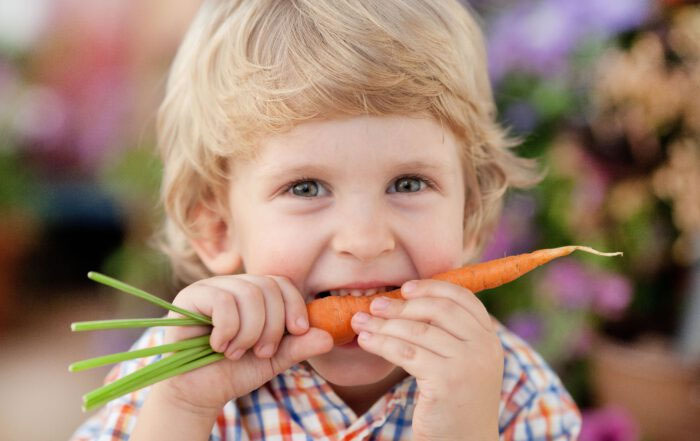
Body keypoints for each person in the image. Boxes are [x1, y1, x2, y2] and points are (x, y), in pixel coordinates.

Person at [70, 0, 581, 439]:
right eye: (306, 188)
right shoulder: (177, 372)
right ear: (218, 227)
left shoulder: (512, 390)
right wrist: (181, 412)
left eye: (407, 184)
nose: (364, 240)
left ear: (470, 214)